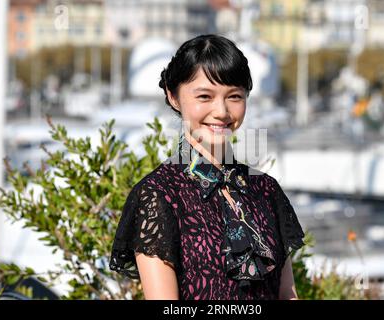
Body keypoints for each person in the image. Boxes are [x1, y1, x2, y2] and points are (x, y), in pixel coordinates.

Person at [109, 34, 305, 300]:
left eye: (234, 96)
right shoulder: (158, 195)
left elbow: (287, 294)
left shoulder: (266, 189)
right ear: (173, 96)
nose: (221, 111)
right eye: (205, 96)